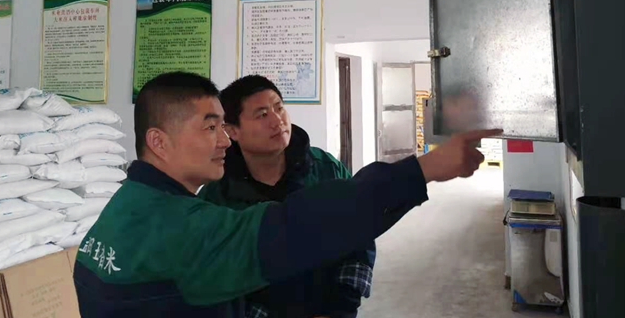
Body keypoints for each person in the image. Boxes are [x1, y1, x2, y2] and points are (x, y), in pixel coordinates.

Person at [73, 71, 500, 318]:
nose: (223, 140)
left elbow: (350, 239)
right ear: (158, 141)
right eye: (210, 127)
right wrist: (424, 169)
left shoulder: (126, 207)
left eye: (278, 107)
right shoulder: (186, 223)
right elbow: (298, 227)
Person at [200, 75, 375, 318]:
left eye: (279, 108)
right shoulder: (218, 194)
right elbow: (218, 274)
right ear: (232, 131)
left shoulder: (325, 169)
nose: (277, 121)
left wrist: (343, 303)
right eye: (262, 114)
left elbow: (360, 232)